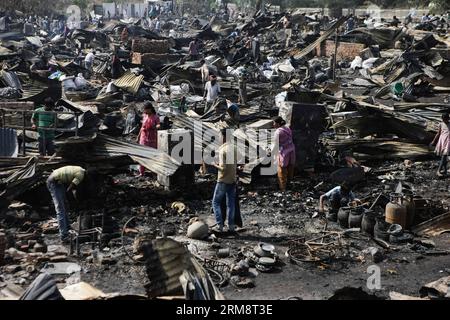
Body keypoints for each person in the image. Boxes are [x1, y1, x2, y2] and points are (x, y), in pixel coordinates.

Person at [46, 166, 86, 243]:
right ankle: (63, 236)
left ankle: (67, 228)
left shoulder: (81, 170)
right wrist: (74, 200)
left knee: (65, 206)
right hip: (53, 181)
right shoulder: (81, 175)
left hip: (58, 181)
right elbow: (70, 188)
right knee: (60, 209)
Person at [211, 129, 238, 233]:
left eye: (220, 136)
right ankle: (231, 226)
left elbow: (223, 168)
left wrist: (214, 164)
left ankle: (220, 226)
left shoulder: (223, 150)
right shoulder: (234, 147)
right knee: (231, 204)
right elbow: (233, 164)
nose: (219, 138)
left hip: (223, 180)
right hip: (232, 179)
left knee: (215, 202)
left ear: (224, 137)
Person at [136, 102, 160, 176]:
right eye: (144, 110)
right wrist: (138, 137)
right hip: (144, 138)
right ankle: (141, 172)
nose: (144, 111)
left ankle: (153, 171)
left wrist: (156, 127)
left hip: (152, 139)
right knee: (142, 154)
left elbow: (158, 125)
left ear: (150, 109)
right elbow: (142, 127)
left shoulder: (155, 117)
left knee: (153, 155)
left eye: (146, 109)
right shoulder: (144, 116)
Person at [272, 117, 295, 191]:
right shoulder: (287, 128)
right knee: (290, 169)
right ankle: (289, 184)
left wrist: (270, 153)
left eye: (274, 123)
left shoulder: (278, 132)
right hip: (291, 151)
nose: (273, 124)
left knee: (282, 171)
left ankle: (283, 188)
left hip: (284, 153)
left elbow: (275, 145)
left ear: (278, 124)